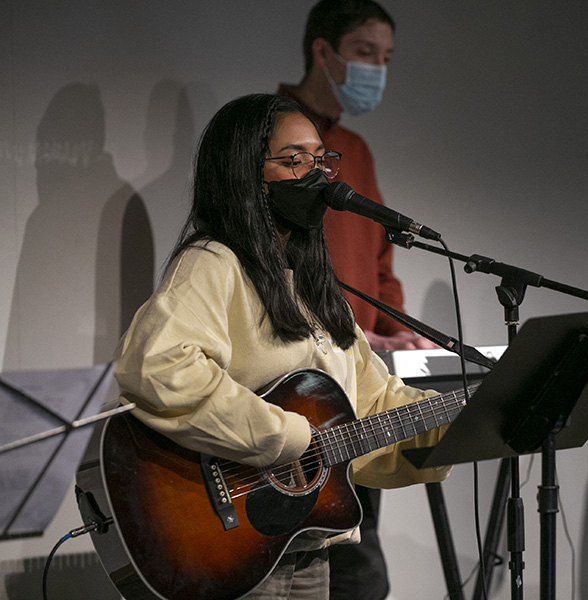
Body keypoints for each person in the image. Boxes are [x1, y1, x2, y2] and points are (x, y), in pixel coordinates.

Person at [114, 93, 451, 599]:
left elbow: (374, 404)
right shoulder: (214, 263)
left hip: (305, 544)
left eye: (321, 160)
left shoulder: (315, 285)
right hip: (230, 543)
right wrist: (288, 436)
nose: (316, 176)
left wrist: (465, 419)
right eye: (294, 162)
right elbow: (157, 366)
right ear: (246, 176)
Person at [277, 3, 436, 597]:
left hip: (358, 384)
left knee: (358, 565)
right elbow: (268, 268)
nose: (377, 70)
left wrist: (397, 329)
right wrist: (341, 333)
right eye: (366, 54)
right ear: (324, 51)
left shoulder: (357, 151)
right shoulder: (273, 141)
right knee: (333, 570)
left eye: (386, 59)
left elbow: (378, 268)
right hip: (297, 396)